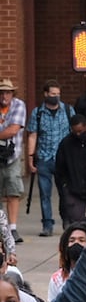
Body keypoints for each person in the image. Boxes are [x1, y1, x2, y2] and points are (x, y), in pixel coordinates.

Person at [24, 79, 70, 238]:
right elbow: (32, 136)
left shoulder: (68, 110)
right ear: (45, 94)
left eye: (58, 94)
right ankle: (47, 224)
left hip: (63, 159)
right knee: (45, 193)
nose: (55, 97)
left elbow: (73, 135)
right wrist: (30, 158)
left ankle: (67, 222)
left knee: (65, 192)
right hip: (44, 157)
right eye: (52, 94)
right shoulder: (37, 113)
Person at [0, 79, 25, 239]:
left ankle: (13, 228)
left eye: (7, 92)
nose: (4, 95)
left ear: (12, 93)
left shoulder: (18, 105)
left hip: (11, 155)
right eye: (1, 92)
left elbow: (13, 130)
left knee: (13, 190)